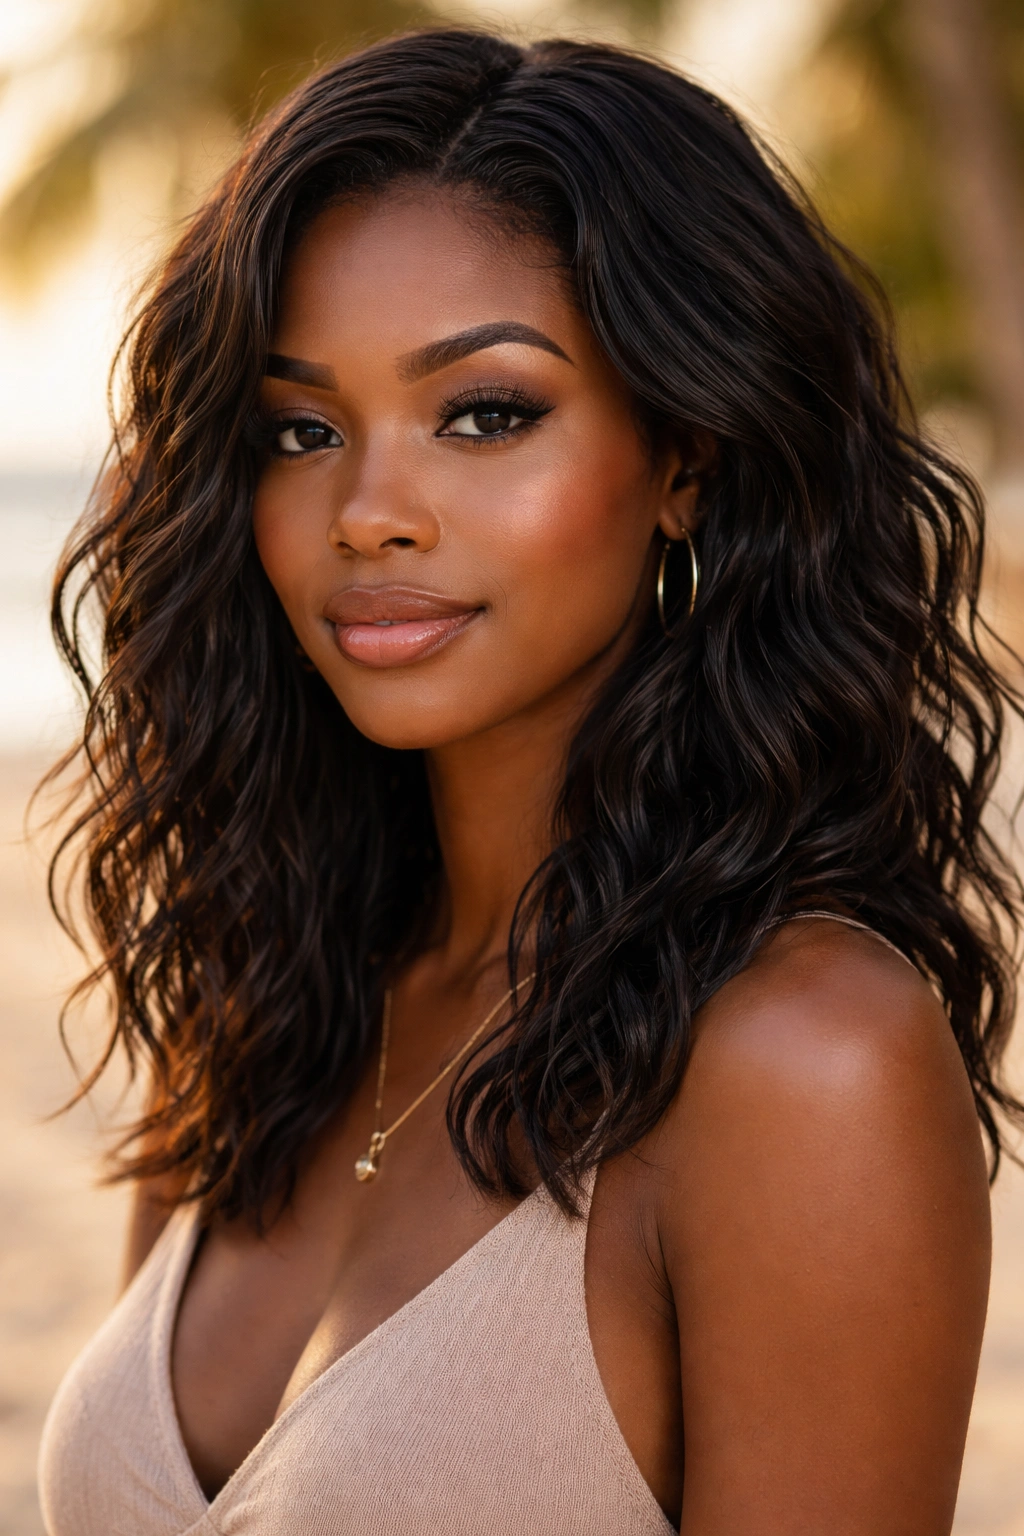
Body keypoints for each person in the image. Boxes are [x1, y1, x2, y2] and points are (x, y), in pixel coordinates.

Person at [37, 28, 1022, 1536]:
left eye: (486, 412)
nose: (369, 512)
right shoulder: (264, 998)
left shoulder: (807, 1062)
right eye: (301, 429)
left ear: (687, 456)